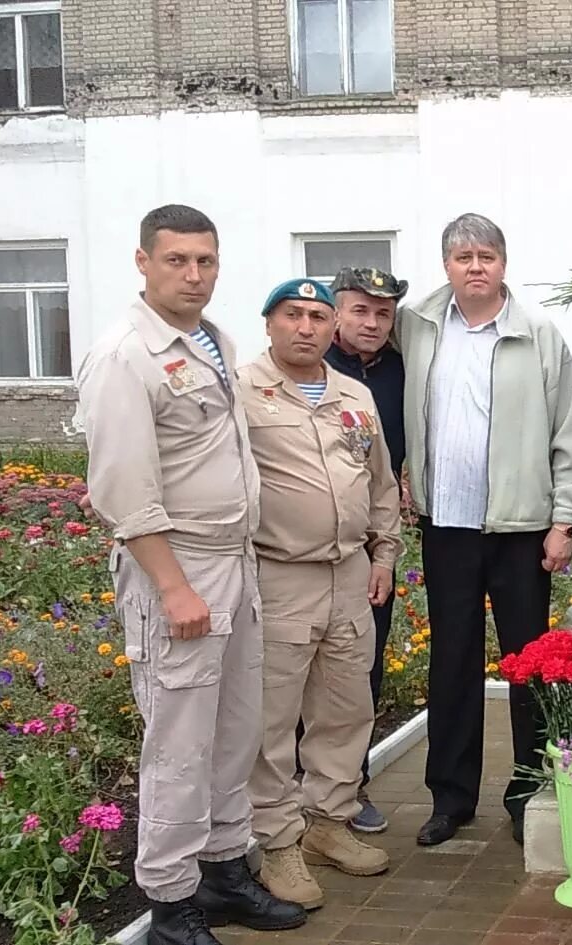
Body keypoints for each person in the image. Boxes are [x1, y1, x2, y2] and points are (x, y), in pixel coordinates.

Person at [75, 205, 307, 945]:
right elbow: (121, 490)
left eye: (205, 260)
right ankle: (172, 903)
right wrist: (173, 587)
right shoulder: (125, 356)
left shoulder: (212, 340)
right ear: (142, 262)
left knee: (235, 729)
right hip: (180, 567)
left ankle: (223, 868)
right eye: (176, 260)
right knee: (178, 742)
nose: (194, 274)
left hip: (233, 561)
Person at [393, 213, 572, 847]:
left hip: (521, 528)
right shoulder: (418, 325)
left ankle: (528, 792)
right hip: (447, 524)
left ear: (503, 264)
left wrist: (565, 519)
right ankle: (450, 799)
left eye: (486, 256)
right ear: (447, 266)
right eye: (462, 257)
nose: (474, 266)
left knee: (527, 663)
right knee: (450, 661)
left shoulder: (537, 335)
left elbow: (570, 432)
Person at [240, 277, 403, 910]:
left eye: (317, 316)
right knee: (271, 719)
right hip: (277, 574)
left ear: (331, 326)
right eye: (293, 315)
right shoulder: (241, 392)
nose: (305, 327)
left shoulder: (353, 395)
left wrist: (383, 552)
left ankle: (328, 824)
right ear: (269, 322)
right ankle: (278, 841)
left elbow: (381, 480)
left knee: (346, 707)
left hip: (347, 575)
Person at [323, 265, 410, 834]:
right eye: (360, 310)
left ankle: (350, 788)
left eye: (383, 313)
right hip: (298, 551)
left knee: (363, 669)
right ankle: (293, 802)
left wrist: (386, 549)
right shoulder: (307, 366)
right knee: (299, 681)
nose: (372, 322)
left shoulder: (402, 369)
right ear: (336, 312)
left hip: (369, 546)